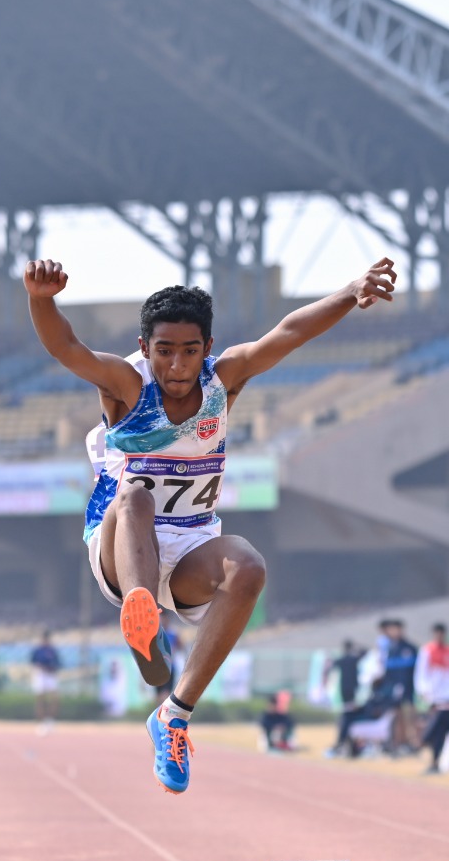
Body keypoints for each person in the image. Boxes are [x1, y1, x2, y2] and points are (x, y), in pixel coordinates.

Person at [25, 255, 397, 794]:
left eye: (190, 351)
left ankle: (173, 714)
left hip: (191, 547)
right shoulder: (127, 385)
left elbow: (289, 332)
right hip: (123, 546)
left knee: (247, 566)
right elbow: (66, 348)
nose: (177, 366)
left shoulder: (223, 381)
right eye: (165, 351)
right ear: (145, 347)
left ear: (207, 348)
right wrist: (42, 300)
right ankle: (142, 615)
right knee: (134, 496)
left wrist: (349, 292)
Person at [378, 619, 421, 755]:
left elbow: (417, 671)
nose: (393, 632)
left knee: (411, 718)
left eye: (395, 629)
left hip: (409, 690)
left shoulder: (410, 648)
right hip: (395, 692)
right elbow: (387, 672)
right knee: (398, 718)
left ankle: (414, 744)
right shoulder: (390, 649)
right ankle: (399, 744)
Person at [415, 623, 449, 711]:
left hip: (448, 692)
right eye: (437, 634)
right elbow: (421, 671)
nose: (439, 636)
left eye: (441, 634)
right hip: (433, 692)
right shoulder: (427, 650)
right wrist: (422, 689)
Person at [29, 630, 62, 733]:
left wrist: (52, 669)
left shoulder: (52, 650)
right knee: (40, 698)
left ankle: (50, 720)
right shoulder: (38, 650)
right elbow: (33, 662)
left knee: (54, 698)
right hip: (40, 675)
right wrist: (41, 668)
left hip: (50, 675)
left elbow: (58, 663)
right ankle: (41, 722)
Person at [333, 639, 365, 710]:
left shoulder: (341, 659)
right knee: (352, 702)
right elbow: (364, 652)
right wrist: (357, 645)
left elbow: (333, 665)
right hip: (353, 683)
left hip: (344, 684)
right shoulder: (354, 659)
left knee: (346, 703)